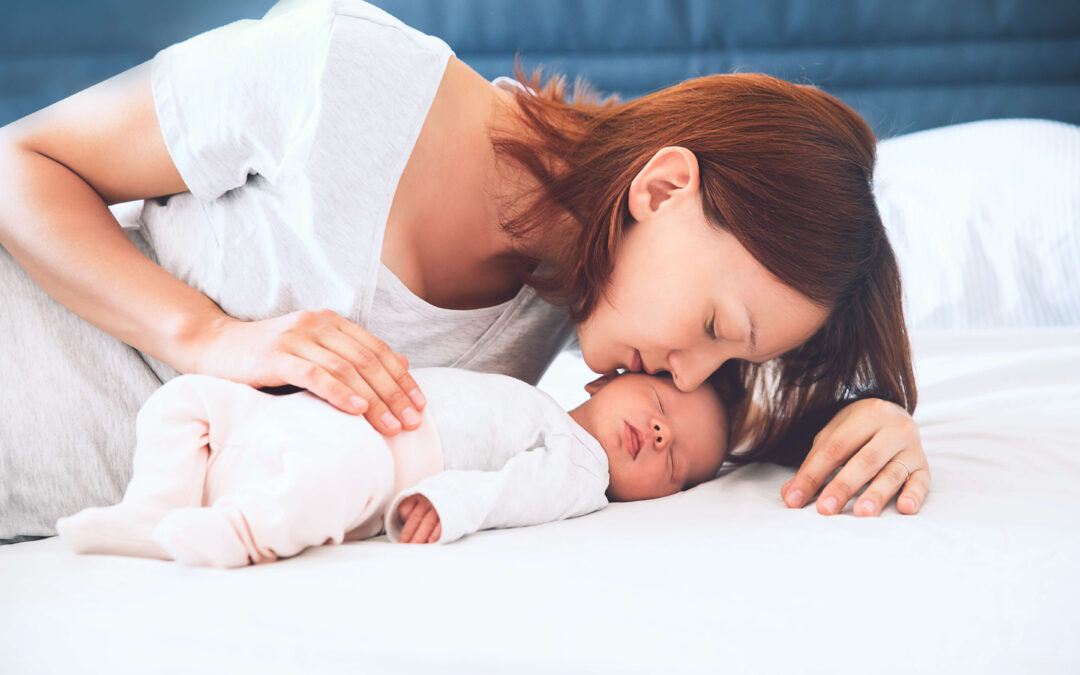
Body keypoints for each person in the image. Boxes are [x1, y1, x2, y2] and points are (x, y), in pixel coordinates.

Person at [0, 0, 928, 541]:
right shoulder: (343, 69)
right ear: (664, 186)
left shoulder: (569, 316)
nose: (692, 371)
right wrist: (209, 336)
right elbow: (20, 165)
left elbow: (724, 426)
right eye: (720, 329)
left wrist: (872, 413)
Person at [55, 368, 729, 567]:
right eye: (661, 403)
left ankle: (240, 532)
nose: (662, 433)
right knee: (189, 397)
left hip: (379, 456)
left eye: (679, 462)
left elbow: (510, 492)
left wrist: (445, 502)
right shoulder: (536, 396)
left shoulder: (582, 470)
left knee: (337, 472)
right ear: (603, 379)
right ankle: (152, 508)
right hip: (307, 416)